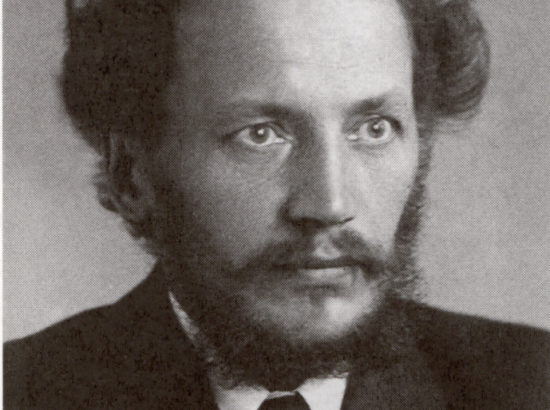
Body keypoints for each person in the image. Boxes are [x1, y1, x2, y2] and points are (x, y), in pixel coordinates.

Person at [4, 0, 549, 408]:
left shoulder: (530, 386)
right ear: (131, 176)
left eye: (374, 128)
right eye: (260, 134)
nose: (330, 204)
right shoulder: (22, 391)